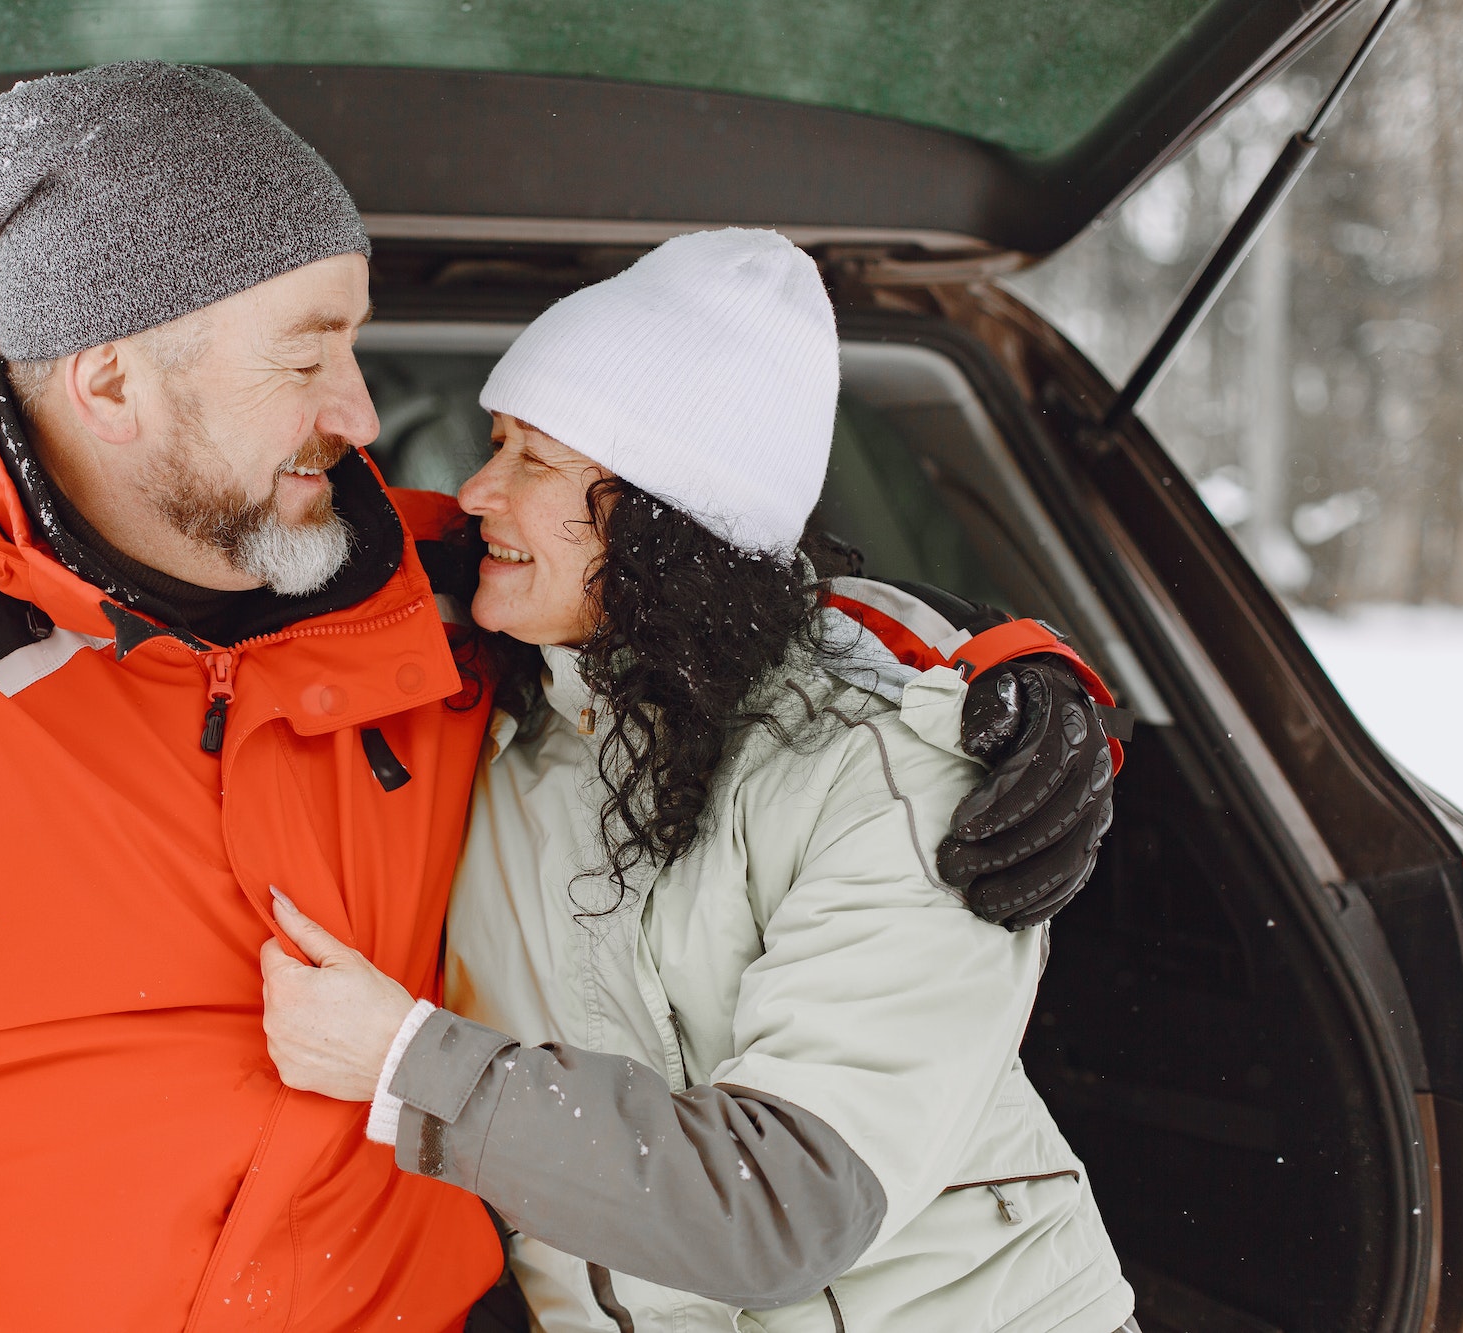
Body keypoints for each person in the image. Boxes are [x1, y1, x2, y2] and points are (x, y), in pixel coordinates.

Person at [0, 64, 1111, 1333]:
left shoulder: (425, 590)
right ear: (114, 377)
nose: (361, 408)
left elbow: (702, 584)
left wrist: (1011, 675)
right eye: (309, 350)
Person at [260, 230, 1135, 1333]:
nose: (475, 488)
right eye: (494, 442)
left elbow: (783, 1208)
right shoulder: (488, 707)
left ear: (665, 516)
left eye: (531, 457)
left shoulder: (890, 774)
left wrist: (405, 1065)